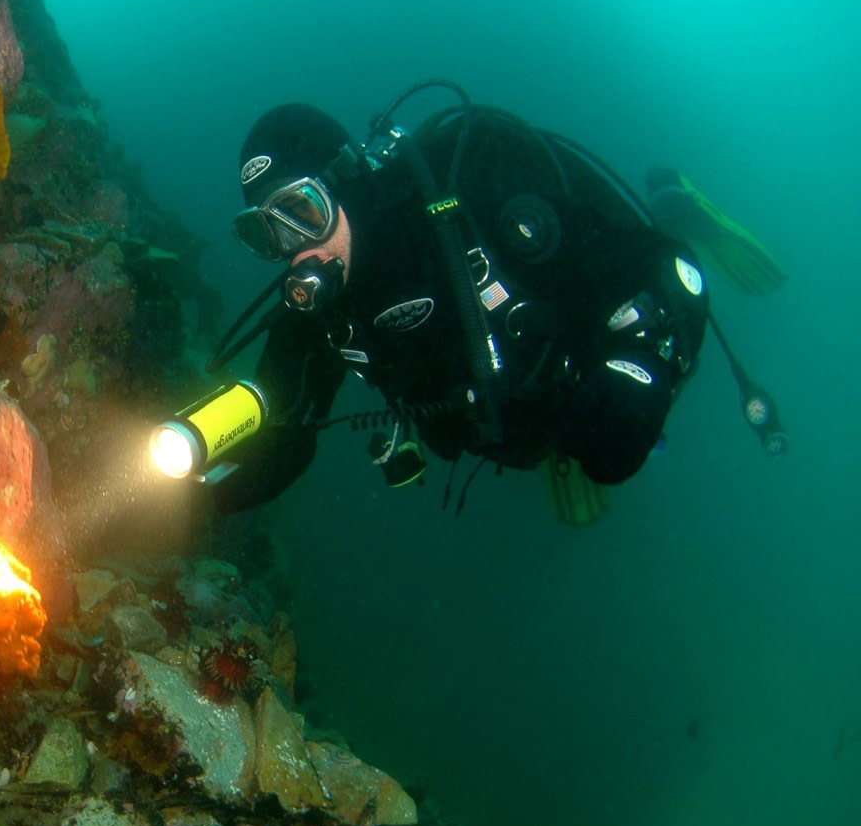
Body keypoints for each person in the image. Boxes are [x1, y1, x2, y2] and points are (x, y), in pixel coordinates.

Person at [198, 80, 732, 515]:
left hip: (579, 363)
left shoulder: (479, 199)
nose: (297, 251)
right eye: (267, 234)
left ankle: (678, 203)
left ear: (349, 183)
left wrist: (642, 373)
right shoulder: (321, 308)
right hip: (513, 423)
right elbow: (280, 417)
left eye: (303, 212)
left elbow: (664, 269)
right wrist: (202, 483)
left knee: (608, 439)